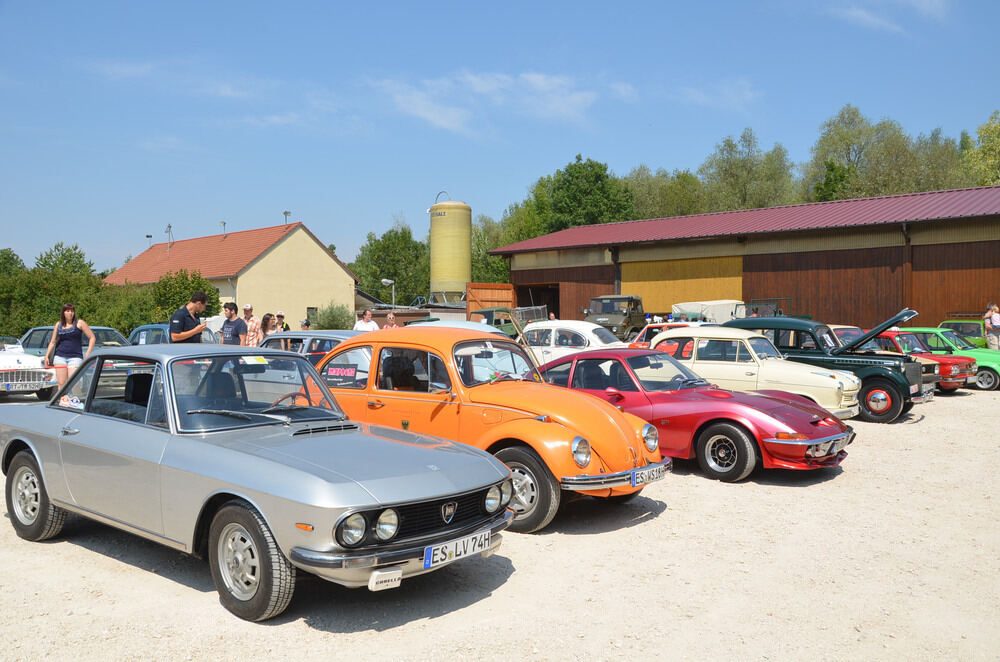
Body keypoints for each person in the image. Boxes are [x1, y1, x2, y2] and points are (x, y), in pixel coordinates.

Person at [45, 303, 96, 388]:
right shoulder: (58, 325)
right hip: (60, 357)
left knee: (75, 383)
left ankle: (75, 400)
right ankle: (62, 400)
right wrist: (47, 356)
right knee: (61, 383)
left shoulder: (80, 323)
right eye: (68, 311)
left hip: (75, 357)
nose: (70, 313)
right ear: (63, 313)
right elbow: (52, 342)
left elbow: (92, 337)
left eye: (72, 311)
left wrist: (88, 353)